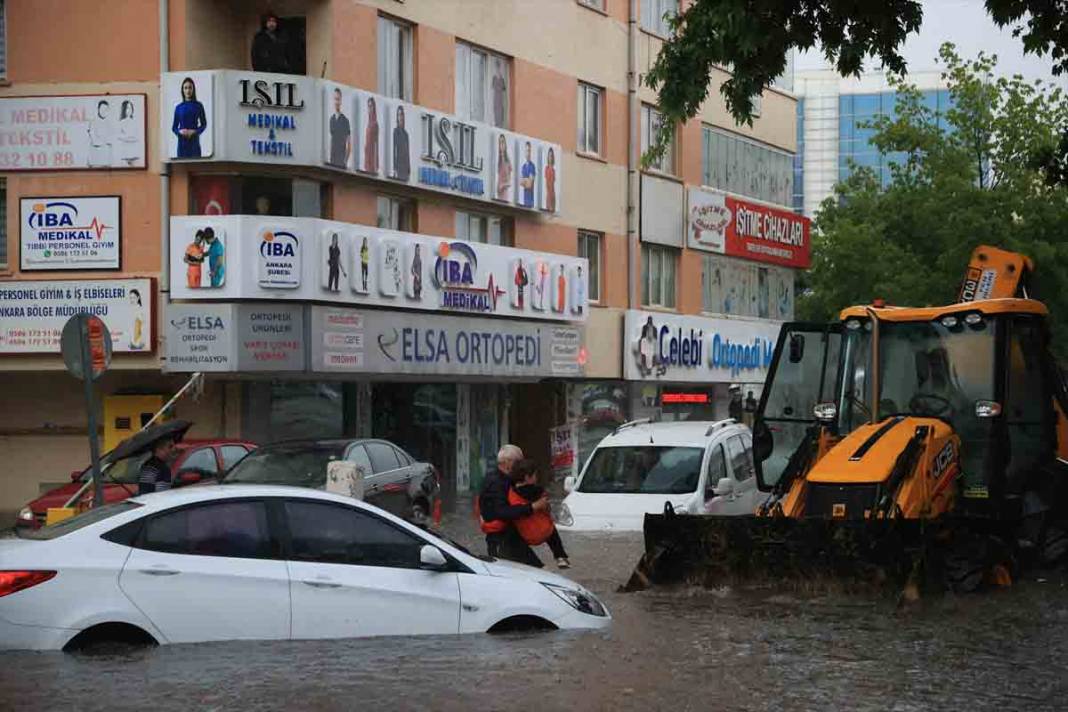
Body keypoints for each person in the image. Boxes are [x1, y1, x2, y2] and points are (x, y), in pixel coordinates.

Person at [478, 444, 548, 562]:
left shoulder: (507, 480)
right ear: (507, 462)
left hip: (512, 540)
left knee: (539, 572)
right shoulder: (496, 483)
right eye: (519, 462)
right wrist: (534, 507)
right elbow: (502, 512)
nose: (522, 465)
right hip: (502, 542)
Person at [508, 459, 570, 569]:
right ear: (528, 477)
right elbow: (547, 509)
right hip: (544, 531)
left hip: (525, 535)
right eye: (535, 475)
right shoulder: (539, 491)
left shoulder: (510, 494)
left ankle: (538, 566)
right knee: (552, 530)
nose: (536, 478)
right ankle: (560, 557)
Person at [171, 77, 207, 159]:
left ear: (193, 89)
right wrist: (180, 132)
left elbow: (204, 124)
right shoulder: (178, 107)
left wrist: (194, 131)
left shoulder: (198, 105)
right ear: (182, 90)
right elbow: (174, 127)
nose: (188, 90)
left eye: (190, 87)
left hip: (194, 143)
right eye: (185, 88)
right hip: (182, 144)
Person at [327, 88, 351, 168]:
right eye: (335, 99)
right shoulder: (331, 119)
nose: (336, 102)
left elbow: (349, 144)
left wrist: (345, 161)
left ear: (340, 101)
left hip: (341, 163)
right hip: (332, 161)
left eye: (338, 99)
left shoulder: (345, 121)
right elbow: (331, 139)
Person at [87, 100, 113, 168]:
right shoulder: (93, 122)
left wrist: (107, 141)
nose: (104, 111)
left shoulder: (109, 123)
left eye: (106, 109)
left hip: (106, 160)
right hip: (95, 160)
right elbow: (95, 141)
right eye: (102, 109)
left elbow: (112, 141)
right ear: (98, 109)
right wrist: (106, 142)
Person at [116, 100, 140, 166]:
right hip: (124, 153)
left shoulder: (135, 122)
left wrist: (126, 137)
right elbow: (119, 137)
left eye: (130, 108)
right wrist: (129, 137)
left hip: (134, 152)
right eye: (127, 108)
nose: (129, 110)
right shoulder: (121, 123)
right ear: (124, 109)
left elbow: (137, 137)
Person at [392, 105, 410, 181]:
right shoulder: (396, 131)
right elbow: (394, 151)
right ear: (397, 117)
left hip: (405, 169)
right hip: (399, 168)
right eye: (399, 115)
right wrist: (395, 168)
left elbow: (407, 153)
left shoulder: (406, 134)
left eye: (402, 114)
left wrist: (409, 170)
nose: (400, 117)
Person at [363, 97, 379, 173]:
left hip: (372, 157)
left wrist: (376, 164)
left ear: (374, 108)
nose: (370, 109)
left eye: (371, 106)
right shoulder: (368, 124)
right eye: (368, 107)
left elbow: (376, 144)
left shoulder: (375, 124)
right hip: (367, 155)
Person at [519, 141, 536, 208]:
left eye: (529, 151)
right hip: (524, 201)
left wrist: (524, 181)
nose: (528, 153)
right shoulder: (523, 166)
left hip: (530, 202)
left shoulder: (532, 166)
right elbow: (520, 182)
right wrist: (526, 180)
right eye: (526, 151)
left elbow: (529, 185)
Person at [496, 134, 512, 201]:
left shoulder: (507, 161)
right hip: (498, 193)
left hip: (504, 193)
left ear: (505, 144)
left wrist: (502, 185)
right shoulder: (498, 159)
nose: (501, 145)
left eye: (503, 142)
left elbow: (509, 182)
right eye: (500, 143)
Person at [544, 147, 556, 212]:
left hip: (553, 193)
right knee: (548, 209)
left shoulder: (553, 170)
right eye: (549, 156)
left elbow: (553, 183)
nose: (550, 158)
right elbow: (546, 182)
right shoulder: (546, 168)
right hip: (548, 193)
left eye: (551, 156)